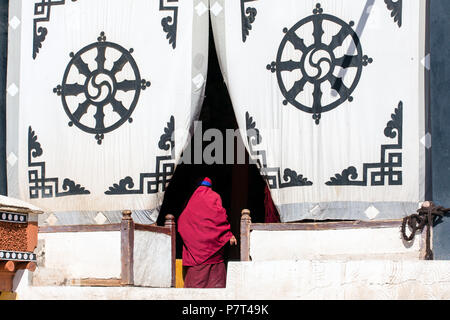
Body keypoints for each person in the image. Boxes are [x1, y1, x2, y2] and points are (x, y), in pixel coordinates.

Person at [177, 177, 237, 288]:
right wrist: (228, 235)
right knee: (216, 288)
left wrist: (195, 242)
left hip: (196, 257)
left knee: (194, 294)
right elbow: (220, 219)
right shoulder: (214, 196)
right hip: (215, 256)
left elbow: (182, 223)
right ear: (210, 187)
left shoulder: (191, 199)